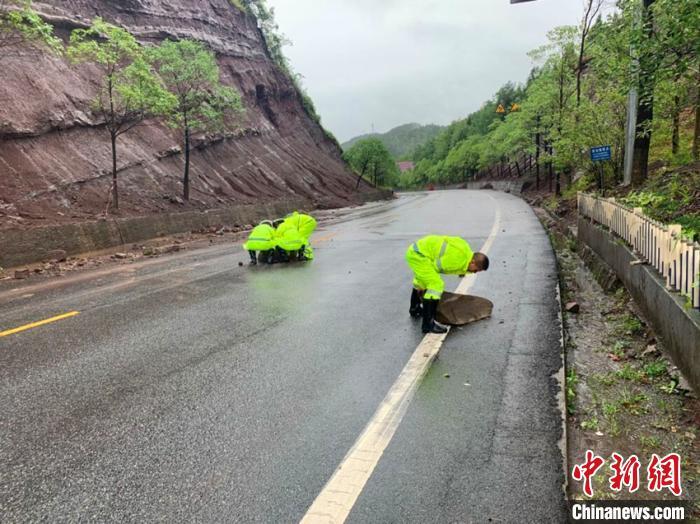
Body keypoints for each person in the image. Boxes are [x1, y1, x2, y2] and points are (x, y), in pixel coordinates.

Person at [405, 235, 490, 334]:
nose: (475, 272)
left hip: (418, 251)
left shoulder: (465, 254)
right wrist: (423, 284)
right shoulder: (457, 259)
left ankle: (415, 309)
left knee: (424, 279)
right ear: (473, 262)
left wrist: (421, 283)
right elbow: (434, 267)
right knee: (436, 284)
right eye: (476, 270)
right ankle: (428, 324)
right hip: (419, 255)